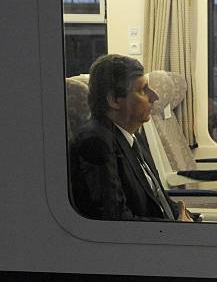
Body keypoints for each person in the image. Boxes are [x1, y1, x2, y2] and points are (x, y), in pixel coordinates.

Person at [70, 54, 195, 222]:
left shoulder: (133, 135)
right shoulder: (95, 143)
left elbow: (156, 196)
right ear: (114, 100)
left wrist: (191, 219)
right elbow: (115, 219)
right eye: (143, 90)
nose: (155, 96)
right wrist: (175, 228)